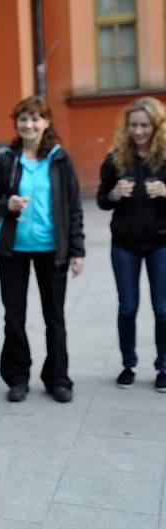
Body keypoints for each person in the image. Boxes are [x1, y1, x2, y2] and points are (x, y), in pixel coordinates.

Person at [0, 96, 85, 404]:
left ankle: (58, 379)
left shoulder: (59, 158)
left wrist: (77, 250)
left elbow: (73, 207)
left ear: (46, 123)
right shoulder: (7, 160)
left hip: (52, 249)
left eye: (35, 119)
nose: (29, 125)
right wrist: (8, 205)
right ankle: (18, 377)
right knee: (13, 317)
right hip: (12, 250)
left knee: (54, 317)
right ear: (17, 123)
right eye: (23, 119)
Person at [97, 96, 166, 392]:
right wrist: (113, 195)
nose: (138, 132)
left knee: (163, 309)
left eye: (144, 126)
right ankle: (129, 364)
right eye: (134, 125)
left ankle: (163, 366)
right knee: (127, 307)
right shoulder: (115, 158)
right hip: (124, 244)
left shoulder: (164, 158)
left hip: (161, 243)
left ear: (156, 126)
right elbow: (101, 199)